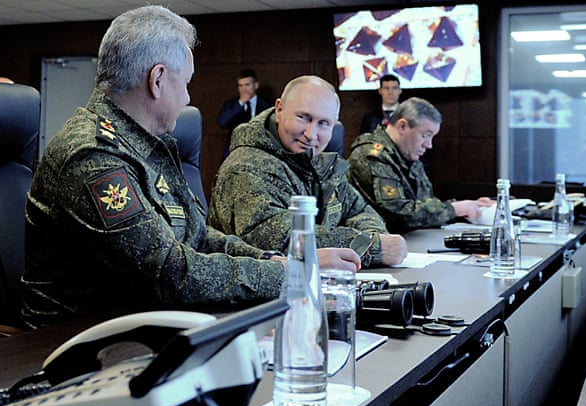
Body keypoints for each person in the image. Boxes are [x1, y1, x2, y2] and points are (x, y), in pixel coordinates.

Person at [20, 6, 360, 329]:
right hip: (74, 348)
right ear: (157, 80)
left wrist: (275, 263)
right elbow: (171, 273)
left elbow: (198, 235)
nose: (187, 98)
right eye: (186, 84)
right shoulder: (92, 156)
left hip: (143, 324)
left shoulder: (147, 144)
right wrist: (293, 274)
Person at [208, 75, 407, 268]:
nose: (311, 135)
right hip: (267, 299)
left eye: (323, 123)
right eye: (303, 117)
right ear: (279, 109)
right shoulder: (246, 168)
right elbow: (278, 240)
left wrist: (372, 235)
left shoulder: (315, 161)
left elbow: (358, 210)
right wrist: (372, 246)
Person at [348, 97, 494, 233]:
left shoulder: (407, 154)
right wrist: (453, 210)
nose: (429, 145)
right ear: (402, 126)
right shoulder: (372, 155)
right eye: (425, 135)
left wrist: (467, 208)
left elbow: (423, 203)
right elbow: (397, 213)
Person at [216, 68, 272, 157]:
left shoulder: (267, 105)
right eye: (240, 86)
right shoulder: (231, 105)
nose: (244, 89)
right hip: (235, 152)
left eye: (247, 85)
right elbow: (222, 122)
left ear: (256, 85)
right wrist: (240, 103)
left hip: (259, 152)